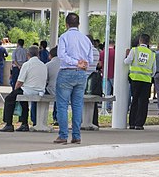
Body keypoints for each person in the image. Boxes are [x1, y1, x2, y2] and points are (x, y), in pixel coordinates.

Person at [55, 13, 95, 145]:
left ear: (66, 24)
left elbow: (61, 55)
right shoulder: (85, 39)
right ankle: (76, 135)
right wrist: (82, 65)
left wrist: (74, 62)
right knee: (77, 105)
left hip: (66, 72)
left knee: (62, 105)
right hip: (81, 74)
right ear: (79, 24)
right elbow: (90, 59)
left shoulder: (64, 37)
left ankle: (63, 135)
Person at [0, 45, 47, 132]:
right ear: (38, 55)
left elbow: (20, 81)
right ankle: (24, 124)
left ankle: (9, 124)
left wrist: (15, 90)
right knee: (23, 102)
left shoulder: (27, 64)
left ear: (28, 54)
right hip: (40, 90)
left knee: (9, 98)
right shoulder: (43, 65)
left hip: (28, 90)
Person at [124, 33, 155, 130]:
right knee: (143, 102)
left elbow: (127, 62)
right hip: (146, 80)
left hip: (135, 78)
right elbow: (154, 70)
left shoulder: (134, 50)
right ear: (148, 42)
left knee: (135, 101)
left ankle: (132, 123)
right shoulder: (152, 54)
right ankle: (140, 124)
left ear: (140, 41)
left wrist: (126, 56)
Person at [44, 46, 60, 125]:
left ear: (50, 55)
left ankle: (36, 119)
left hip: (51, 89)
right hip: (63, 90)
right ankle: (57, 118)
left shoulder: (48, 65)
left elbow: (45, 80)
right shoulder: (65, 63)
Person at [103, 40, 115, 111]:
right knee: (115, 91)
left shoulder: (103, 53)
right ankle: (114, 107)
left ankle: (106, 107)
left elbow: (100, 64)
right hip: (113, 74)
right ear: (113, 44)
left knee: (106, 92)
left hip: (105, 75)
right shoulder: (115, 52)